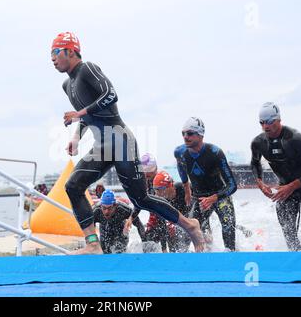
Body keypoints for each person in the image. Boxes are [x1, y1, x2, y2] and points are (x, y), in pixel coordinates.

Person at [51, 31, 204, 254]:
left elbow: (111, 95)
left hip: (120, 140)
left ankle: (190, 225)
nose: (52, 58)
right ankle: (93, 243)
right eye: (50, 54)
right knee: (73, 186)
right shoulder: (67, 85)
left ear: (71, 51)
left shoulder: (87, 69)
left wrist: (79, 113)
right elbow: (87, 115)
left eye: (56, 52)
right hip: (102, 145)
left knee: (141, 199)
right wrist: (76, 135)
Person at [250, 102, 301, 251]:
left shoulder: (295, 139)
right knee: (290, 236)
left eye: (269, 121)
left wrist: (291, 186)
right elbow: (255, 163)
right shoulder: (259, 143)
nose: (266, 126)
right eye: (262, 122)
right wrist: (260, 182)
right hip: (286, 192)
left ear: (279, 119)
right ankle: (299, 265)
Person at [174, 117, 238, 251]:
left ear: (200, 135)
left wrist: (214, 197)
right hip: (200, 199)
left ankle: (231, 259)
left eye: (190, 133)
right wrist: (187, 190)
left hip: (220, 196)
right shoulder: (180, 153)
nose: (186, 137)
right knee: (188, 232)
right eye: (183, 133)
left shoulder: (215, 153)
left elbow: (232, 185)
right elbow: (181, 169)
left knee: (228, 228)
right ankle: (188, 262)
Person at [145, 171, 190, 253]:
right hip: (177, 221)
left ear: (169, 186)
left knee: (188, 229)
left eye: (159, 190)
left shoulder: (183, 189)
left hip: (188, 218)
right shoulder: (160, 201)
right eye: (155, 190)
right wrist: (164, 249)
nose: (157, 194)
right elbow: (162, 225)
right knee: (170, 229)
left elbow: (198, 207)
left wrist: (206, 228)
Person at [92, 189, 146, 254]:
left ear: (115, 205)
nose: (106, 212)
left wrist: (145, 245)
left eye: (109, 208)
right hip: (104, 232)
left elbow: (139, 225)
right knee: (105, 252)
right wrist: (92, 243)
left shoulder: (123, 209)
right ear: (101, 206)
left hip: (120, 232)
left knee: (119, 252)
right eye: (104, 208)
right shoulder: (96, 211)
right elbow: (89, 231)